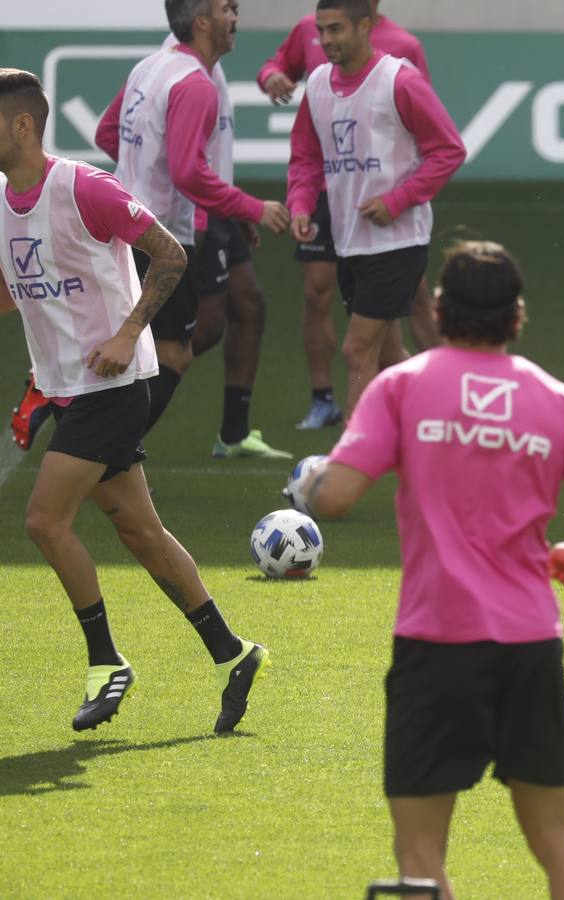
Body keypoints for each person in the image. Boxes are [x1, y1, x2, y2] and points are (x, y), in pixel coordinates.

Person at [301, 241, 564, 898]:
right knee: (557, 839)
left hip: (436, 645)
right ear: (517, 315)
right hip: (530, 645)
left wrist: (315, 478)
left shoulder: (400, 387)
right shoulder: (560, 400)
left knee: (420, 851)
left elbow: (336, 499)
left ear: (435, 307)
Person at [0, 68, 269, 734]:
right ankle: (232, 653)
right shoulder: (3, 200)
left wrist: (127, 332)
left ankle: (106, 661)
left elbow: (170, 254)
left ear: (22, 125)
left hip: (114, 385)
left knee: (44, 521)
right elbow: (22, 287)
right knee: (140, 531)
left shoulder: (83, 187)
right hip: (70, 386)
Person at [93, 0, 292, 448]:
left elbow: (108, 133)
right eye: (227, 9)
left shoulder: (151, 66)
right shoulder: (197, 85)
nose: (235, 17)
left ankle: (104, 453)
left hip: (127, 227)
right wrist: (252, 207)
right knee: (172, 354)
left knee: (146, 346)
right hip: (162, 238)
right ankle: (103, 456)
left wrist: (138, 176)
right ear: (202, 22)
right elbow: (187, 172)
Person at [260, 0, 440, 429]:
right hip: (348, 235)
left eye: (336, 29)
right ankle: (443, 419)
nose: (325, 40)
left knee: (358, 350)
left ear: (366, 25)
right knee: (389, 354)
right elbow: (305, 153)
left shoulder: (401, 75)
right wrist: (301, 204)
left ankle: (348, 462)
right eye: (322, 30)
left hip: (396, 238)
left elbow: (445, 150)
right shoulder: (319, 83)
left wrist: (396, 200)